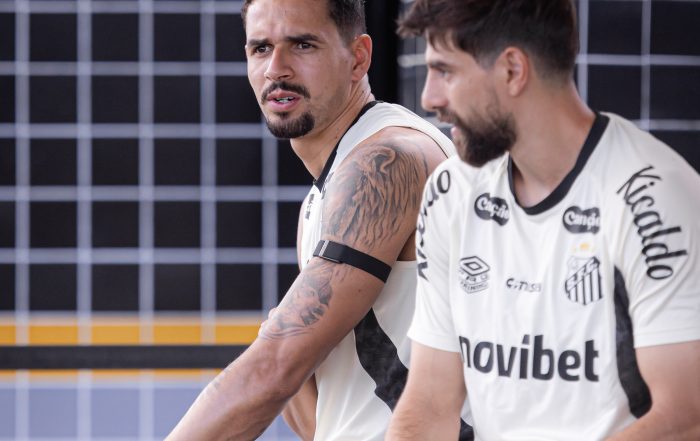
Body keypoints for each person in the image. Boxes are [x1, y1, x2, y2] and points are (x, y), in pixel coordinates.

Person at [386, 0, 700, 440]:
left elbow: (686, 417)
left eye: (445, 71)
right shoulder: (451, 190)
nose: (429, 98)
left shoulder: (656, 196)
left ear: (513, 70)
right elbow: (429, 403)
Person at [165, 0, 463, 440]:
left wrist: (281, 350)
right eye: (261, 48)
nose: (276, 69)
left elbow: (274, 368)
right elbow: (321, 409)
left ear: (358, 58)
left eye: (302, 45)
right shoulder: (320, 197)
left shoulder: (385, 162)